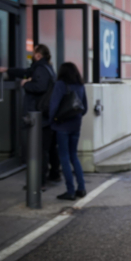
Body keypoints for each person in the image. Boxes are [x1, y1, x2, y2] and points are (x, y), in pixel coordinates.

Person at [0, 44, 61, 186]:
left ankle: (39, 181)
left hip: (39, 114)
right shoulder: (46, 68)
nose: (32, 55)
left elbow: (39, 86)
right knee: (48, 147)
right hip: (46, 113)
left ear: (38, 55)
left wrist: (25, 84)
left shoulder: (40, 69)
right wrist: (8, 70)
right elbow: (26, 72)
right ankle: (54, 173)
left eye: (33, 53)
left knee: (40, 148)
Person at [47, 62, 88, 201]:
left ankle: (70, 191)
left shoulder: (60, 84)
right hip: (75, 125)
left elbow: (54, 105)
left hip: (62, 125)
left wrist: (52, 121)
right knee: (73, 156)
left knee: (64, 157)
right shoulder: (80, 85)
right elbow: (85, 108)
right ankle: (81, 188)